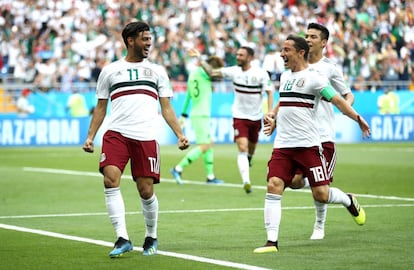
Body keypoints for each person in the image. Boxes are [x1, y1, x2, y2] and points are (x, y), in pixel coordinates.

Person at [253, 35, 371, 254]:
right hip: (283, 147)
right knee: (274, 185)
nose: (281, 54)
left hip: (308, 147)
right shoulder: (286, 77)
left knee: (321, 195)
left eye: (286, 50)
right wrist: (273, 118)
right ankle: (271, 242)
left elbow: (338, 100)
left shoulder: (315, 79)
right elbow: (286, 103)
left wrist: (357, 118)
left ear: (300, 52)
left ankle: (348, 200)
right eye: (281, 49)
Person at [82, 21, 189, 258]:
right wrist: (90, 137)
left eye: (150, 39)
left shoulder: (158, 71)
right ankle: (122, 238)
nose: (149, 43)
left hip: (145, 136)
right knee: (110, 180)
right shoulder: (110, 71)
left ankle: (151, 235)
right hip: (116, 134)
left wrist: (179, 134)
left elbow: (167, 107)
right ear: (131, 41)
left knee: (145, 190)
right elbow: (101, 107)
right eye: (145, 38)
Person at [287, 22, 356, 240]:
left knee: (321, 191)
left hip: (323, 135)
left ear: (324, 43)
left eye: (313, 36)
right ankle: (347, 199)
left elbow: (347, 94)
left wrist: (347, 110)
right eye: (306, 35)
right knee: (295, 182)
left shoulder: (329, 68)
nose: (308, 39)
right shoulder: (296, 67)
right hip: (301, 136)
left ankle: (320, 226)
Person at [188, 46, 274, 194]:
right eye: (237, 54)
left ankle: (248, 160)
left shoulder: (260, 73)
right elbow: (212, 72)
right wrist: (199, 58)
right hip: (239, 116)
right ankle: (246, 182)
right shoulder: (233, 71)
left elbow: (269, 91)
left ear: (250, 58)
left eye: (241, 55)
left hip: (255, 117)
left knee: (250, 151)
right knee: (242, 147)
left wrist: (270, 112)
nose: (238, 57)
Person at [170, 55, 225, 184]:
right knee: (205, 145)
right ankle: (178, 168)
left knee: (209, 143)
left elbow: (188, 96)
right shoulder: (206, 75)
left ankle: (210, 177)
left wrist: (183, 114)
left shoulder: (193, 74)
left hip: (197, 113)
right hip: (202, 114)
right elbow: (216, 75)